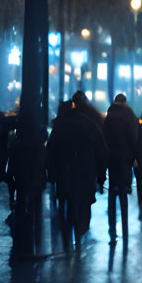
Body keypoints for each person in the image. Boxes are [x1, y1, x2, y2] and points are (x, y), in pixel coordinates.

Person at [46, 94, 107, 250]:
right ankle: (79, 235)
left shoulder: (59, 125)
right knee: (84, 204)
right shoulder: (88, 123)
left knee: (67, 203)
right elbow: (101, 150)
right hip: (86, 171)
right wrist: (101, 176)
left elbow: (50, 151)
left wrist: (51, 174)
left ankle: (68, 236)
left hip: (64, 173)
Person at [102, 93, 139, 243]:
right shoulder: (130, 115)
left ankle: (112, 228)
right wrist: (133, 158)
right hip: (125, 159)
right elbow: (134, 138)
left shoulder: (109, 116)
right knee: (123, 192)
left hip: (112, 160)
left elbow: (103, 138)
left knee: (112, 193)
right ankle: (124, 227)